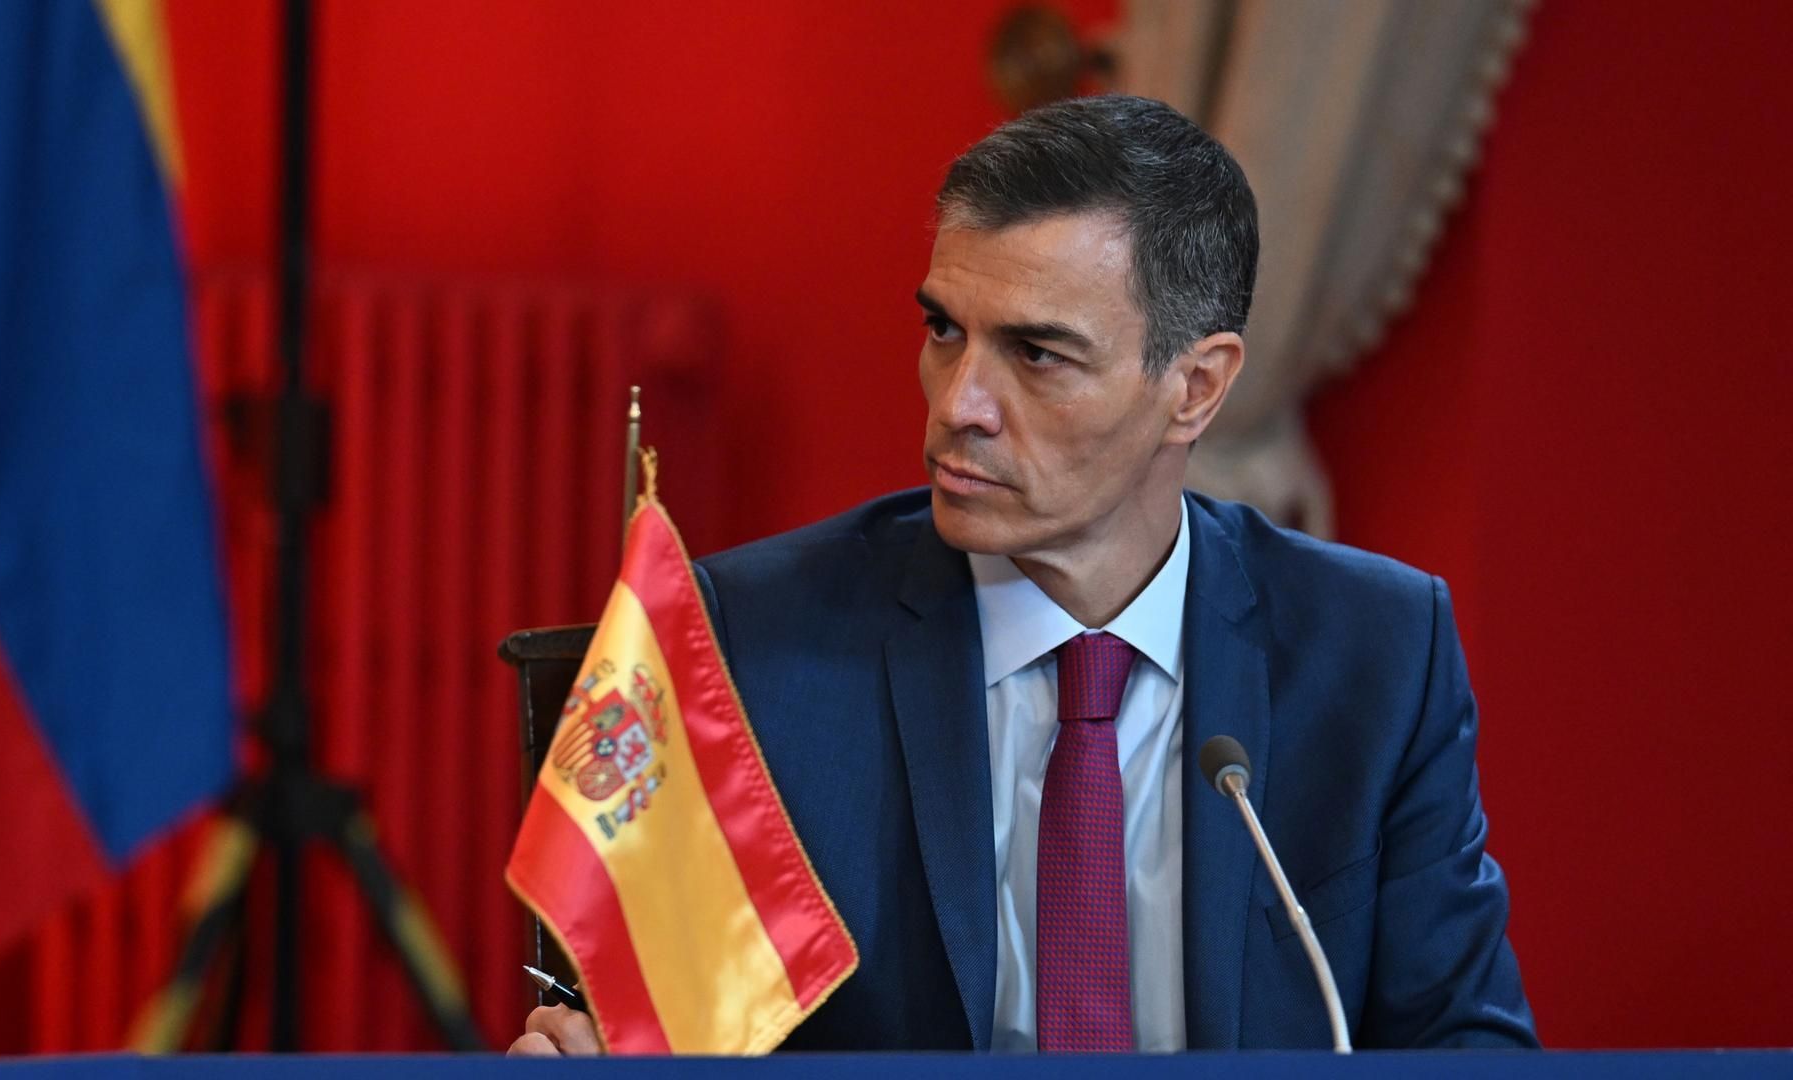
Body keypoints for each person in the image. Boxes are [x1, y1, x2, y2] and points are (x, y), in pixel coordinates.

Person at [511, 94, 1535, 1055]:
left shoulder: (1377, 654)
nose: (961, 404)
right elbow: (663, 1029)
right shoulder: (755, 643)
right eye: (945, 330)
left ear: (1195, 388)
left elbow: (1466, 1045)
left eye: (1037, 355)